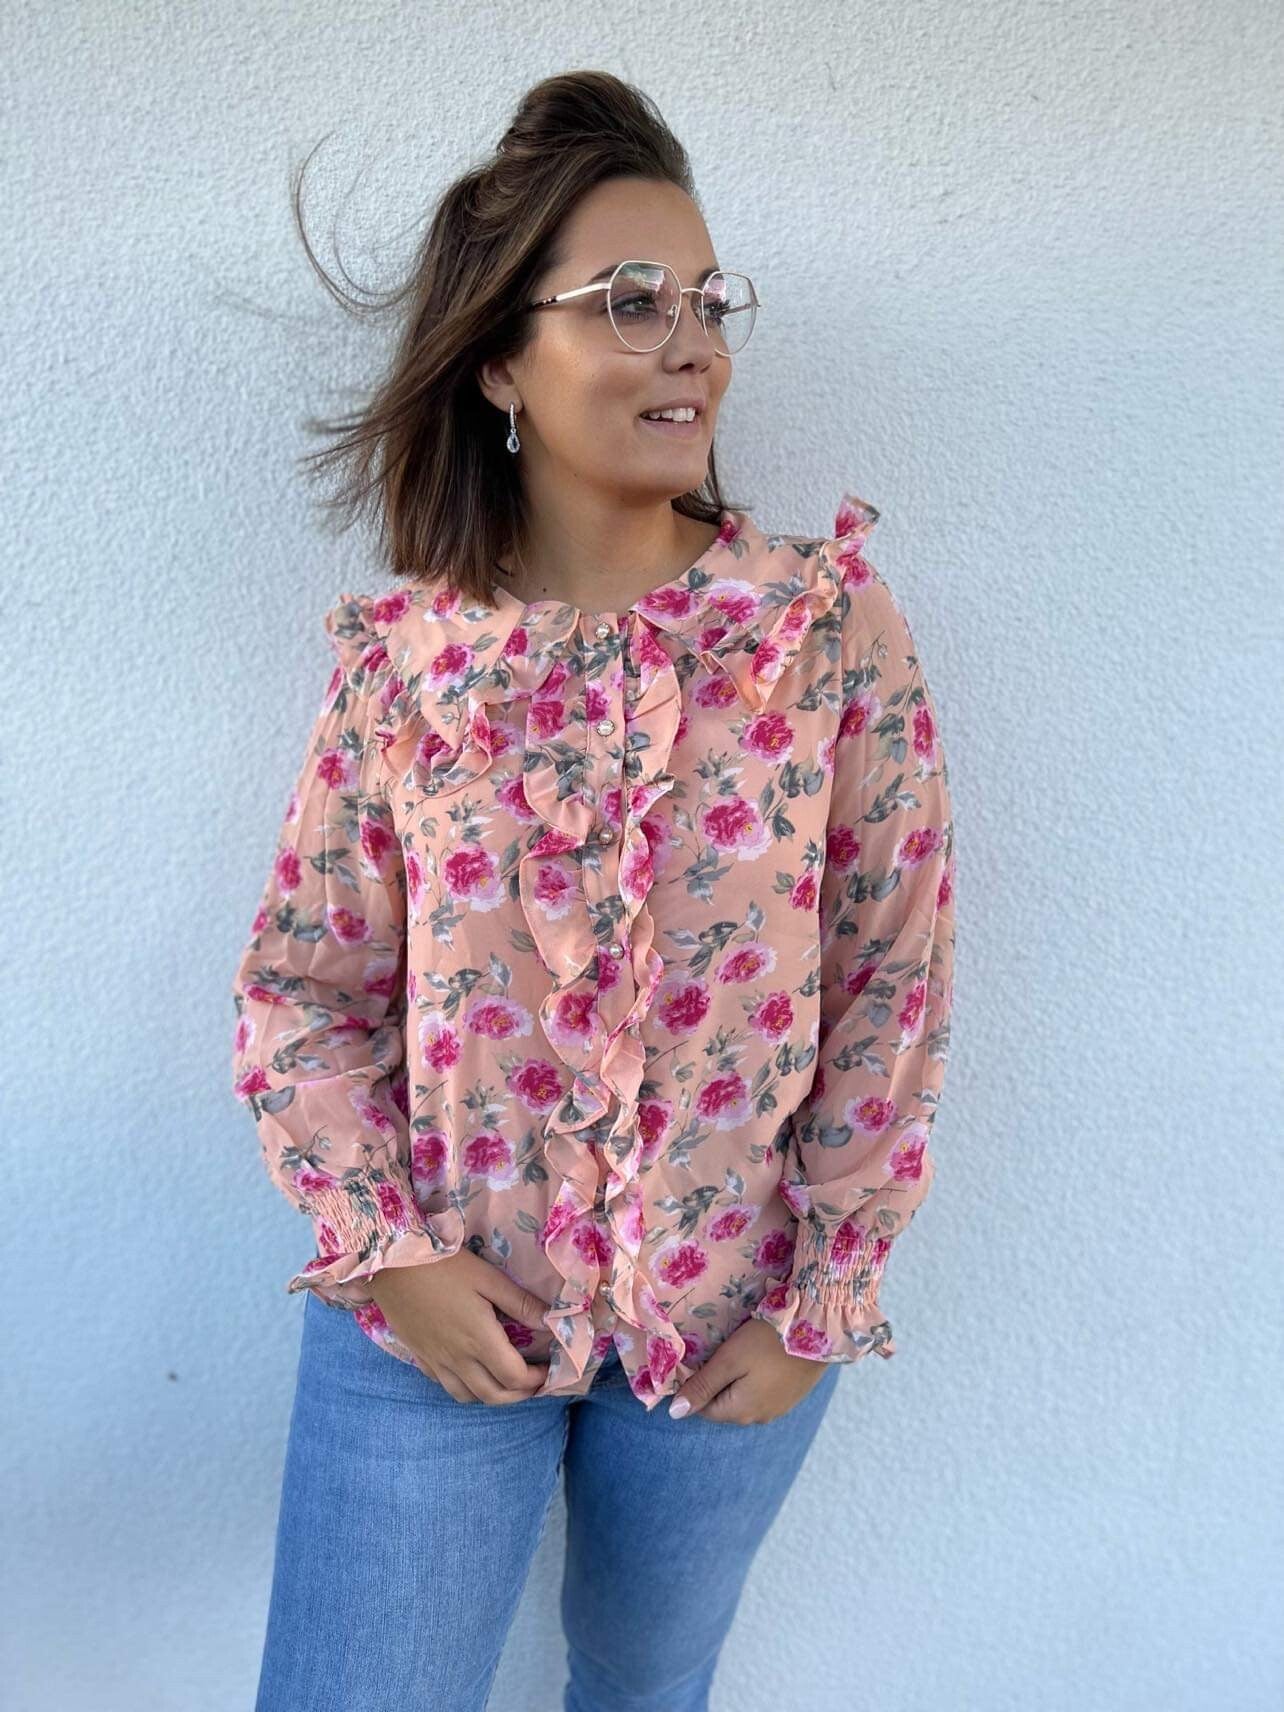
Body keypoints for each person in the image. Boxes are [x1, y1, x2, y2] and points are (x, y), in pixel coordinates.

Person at [230, 70, 956, 1712]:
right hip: (431, 1323)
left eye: (706, 301)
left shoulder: (826, 631)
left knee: (642, 1688)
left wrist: (825, 1291)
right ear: (501, 358)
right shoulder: (407, 661)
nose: (691, 344)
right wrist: (386, 1251)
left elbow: (891, 972)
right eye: (631, 302)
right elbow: (303, 988)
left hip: (725, 1334)